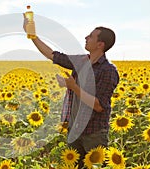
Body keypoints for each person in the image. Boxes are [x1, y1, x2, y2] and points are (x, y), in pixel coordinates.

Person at [23, 15, 119, 168]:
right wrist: (33, 36)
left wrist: (74, 87)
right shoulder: (81, 62)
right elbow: (52, 55)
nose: (86, 37)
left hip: (93, 134)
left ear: (100, 44)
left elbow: (99, 105)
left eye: (91, 36)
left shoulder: (108, 71)